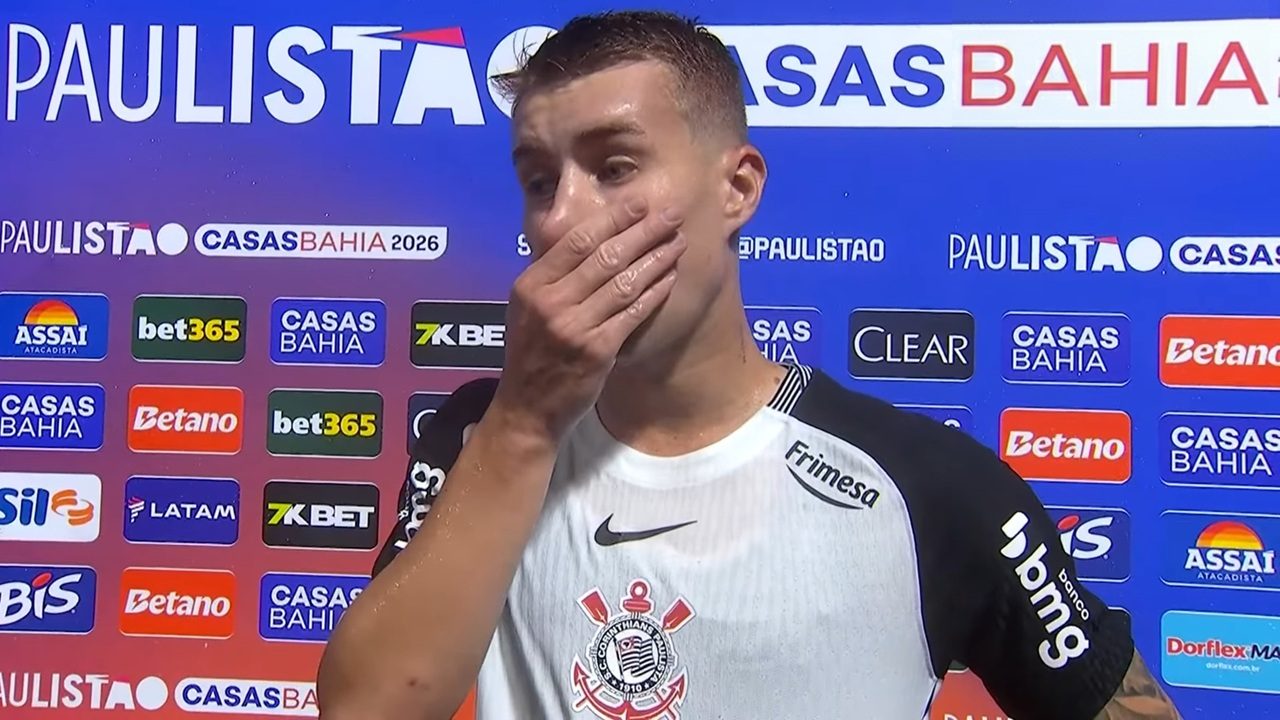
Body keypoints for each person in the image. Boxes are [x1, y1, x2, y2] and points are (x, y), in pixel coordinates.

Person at [316, 10, 1183, 720]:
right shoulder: (479, 435)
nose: (563, 221)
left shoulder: (924, 483)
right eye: (540, 181)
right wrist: (523, 426)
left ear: (738, 189)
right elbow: (364, 709)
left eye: (614, 167)